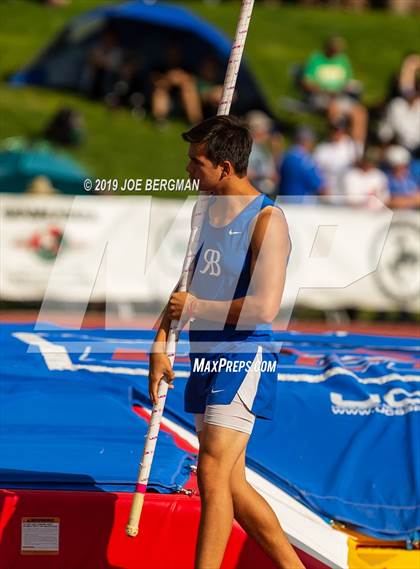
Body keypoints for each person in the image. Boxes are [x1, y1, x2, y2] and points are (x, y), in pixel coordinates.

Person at [149, 116, 305, 569]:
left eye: (196, 164)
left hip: (244, 355)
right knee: (231, 485)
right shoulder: (207, 215)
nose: (188, 172)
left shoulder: (267, 220)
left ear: (224, 166)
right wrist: (159, 344)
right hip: (205, 355)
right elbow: (185, 289)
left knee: (212, 471)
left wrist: (197, 309)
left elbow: (264, 308)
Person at [302, 36, 368, 144]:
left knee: (360, 112)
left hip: (340, 96)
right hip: (320, 97)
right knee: (334, 109)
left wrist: (347, 88)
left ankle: (357, 149)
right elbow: (306, 83)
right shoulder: (316, 59)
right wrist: (325, 90)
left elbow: (348, 81)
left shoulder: (343, 60)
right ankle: (336, 143)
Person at [313, 118, 362, 199]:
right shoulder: (321, 149)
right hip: (327, 193)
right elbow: (315, 172)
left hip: (348, 193)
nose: (337, 132)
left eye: (340, 129)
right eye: (334, 129)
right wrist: (321, 187)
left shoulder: (353, 147)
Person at [277, 126, 326, 198]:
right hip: (302, 204)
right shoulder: (306, 160)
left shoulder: (285, 156)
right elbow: (319, 186)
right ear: (307, 141)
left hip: (284, 202)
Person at [246, 110, 280, 196]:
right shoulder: (247, 148)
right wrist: (265, 175)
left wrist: (276, 151)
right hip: (250, 195)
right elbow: (243, 173)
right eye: (266, 129)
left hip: (263, 194)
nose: (268, 133)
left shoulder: (264, 148)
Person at [385, 145, 420, 209]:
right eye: (398, 166)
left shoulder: (412, 178)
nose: (403, 169)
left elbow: (418, 199)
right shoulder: (386, 179)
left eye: (405, 165)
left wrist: (401, 200)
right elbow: (388, 202)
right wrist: (412, 200)